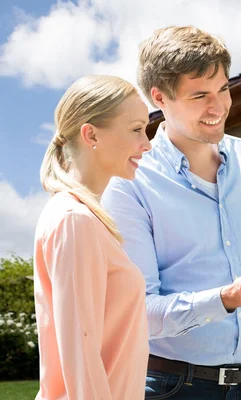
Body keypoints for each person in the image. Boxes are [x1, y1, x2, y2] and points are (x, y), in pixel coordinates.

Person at [101, 26, 241, 400]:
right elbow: (139, 312)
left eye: (224, 90)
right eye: (199, 96)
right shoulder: (130, 182)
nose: (218, 108)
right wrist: (224, 299)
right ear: (159, 97)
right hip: (172, 388)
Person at [33, 75, 151, 399]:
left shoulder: (85, 220)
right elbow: (82, 361)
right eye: (136, 129)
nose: (148, 143)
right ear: (91, 135)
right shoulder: (75, 221)